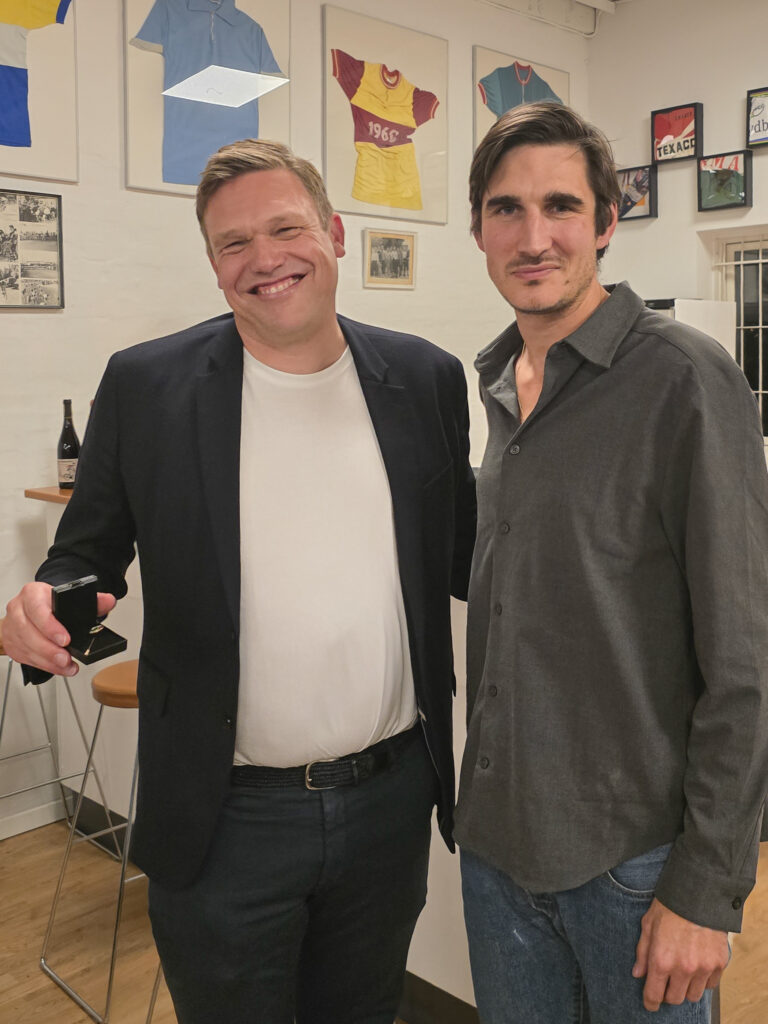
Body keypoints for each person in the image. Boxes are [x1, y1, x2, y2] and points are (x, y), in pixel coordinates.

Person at [3, 139, 476, 1024]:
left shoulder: (424, 379)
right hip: (225, 819)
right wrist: (43, 601)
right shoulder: (147, 386)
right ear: (214, 264)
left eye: (287, 228)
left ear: (334, 234)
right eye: (233, 242)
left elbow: (469, 558)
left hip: (389, 802)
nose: (264, 257)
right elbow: (84, 554)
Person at [454, 101, 768, 1023]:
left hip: (632, 868)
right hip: (498, 851)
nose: (534, 237)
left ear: (605, 222)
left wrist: (707, 887)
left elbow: (746, 656)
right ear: (478, 230)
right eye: (507, 209)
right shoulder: (499, 381)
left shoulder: (682, 378)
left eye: (561, 205)